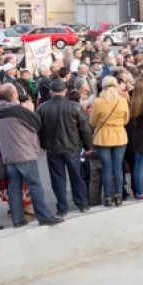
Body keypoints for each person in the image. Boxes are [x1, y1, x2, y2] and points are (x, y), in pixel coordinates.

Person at [0, 83, 63, 227]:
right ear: (13, 95)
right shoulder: (18, 110)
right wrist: (29, 110)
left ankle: (17, 219)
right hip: (24, 152)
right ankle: (44, 216)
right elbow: (37, 124)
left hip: (8, 153)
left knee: (14, 186)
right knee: (34, 185)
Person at [36, 78, 93, 215]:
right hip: (72, 146)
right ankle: (82, 203)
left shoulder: (42, 108)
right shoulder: (75, 107)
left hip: (53, 148)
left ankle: (62, 207)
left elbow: (38, 130)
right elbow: (84, 129)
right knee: (77, 176)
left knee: (58, 179)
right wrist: (88, 147)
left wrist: (44, 144)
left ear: (51, 91)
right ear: (65, 91)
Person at [90, 76, 130, 207]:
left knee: (106, 168)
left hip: (103, 137)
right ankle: (118, 196)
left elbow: (92, 122)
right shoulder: (122, 101)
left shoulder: (98, 102)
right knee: (118, 168)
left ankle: (107, 197)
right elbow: (126, 120)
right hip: (119, 135)